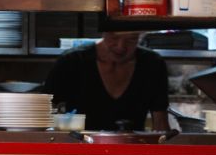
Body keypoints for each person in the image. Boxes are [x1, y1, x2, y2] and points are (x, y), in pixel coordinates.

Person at [41, 32, 170, 132]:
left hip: (133, 152)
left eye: (131, 39)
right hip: (80, 151)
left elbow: (160, 124)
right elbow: (43, 113)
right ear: (104, 33)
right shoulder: (73, 61)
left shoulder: (152, 64)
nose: (121, 46)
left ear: (140, 37)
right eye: (114, 37)